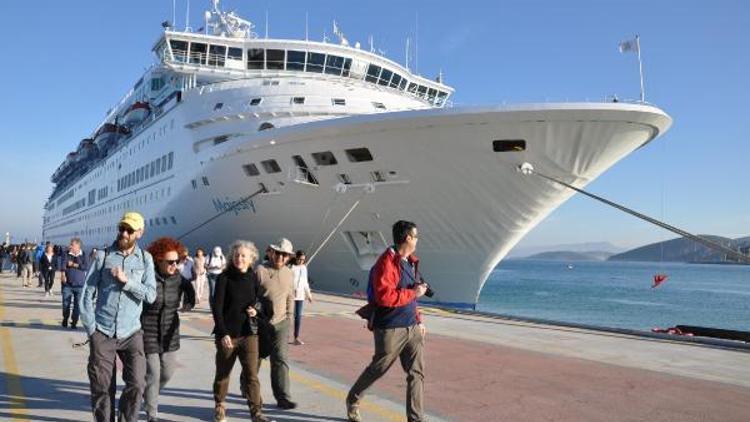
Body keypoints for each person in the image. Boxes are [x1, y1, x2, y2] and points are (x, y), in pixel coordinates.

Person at [346, 220, 428, 422]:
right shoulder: (386, 263)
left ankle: (416, 419)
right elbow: (385, 297)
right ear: (408, 238)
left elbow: (411, 295)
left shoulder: (410, 262)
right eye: (416, 236)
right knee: (379, 368)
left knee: (416, 373)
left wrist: (419, 320)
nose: (417, 240)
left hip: (412, 327)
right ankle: (353, 399)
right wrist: (413, 293)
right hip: (390, 328)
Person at [79, 212, 157, 422]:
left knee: (137, 384)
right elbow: (87, 293)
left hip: (131, 332)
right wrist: (91, 330)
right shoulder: (103, 256)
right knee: (102, 388)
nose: (124, 233)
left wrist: (128, 282)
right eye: (121, 228)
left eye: (129, 230)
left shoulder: (145, 259)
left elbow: (151, 295)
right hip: (103, 332)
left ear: (139, 233)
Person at [212, 240, 269, 422]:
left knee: (252, 374)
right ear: (231, 257)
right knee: (223, 374)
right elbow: (217, 309)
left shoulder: (253, 278)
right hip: (228, 335)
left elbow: (258, 301)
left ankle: (256, 412)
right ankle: (220, 405)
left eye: (243, 255)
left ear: (251, 258)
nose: (239, 258)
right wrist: (223, 333)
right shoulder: (224, 278)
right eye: (236, 255)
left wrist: (256, 309)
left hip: (249, 334)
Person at [141, 237, 195, 422]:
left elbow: (190, 291)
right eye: (170, 262)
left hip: (170, 334)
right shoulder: (147, 277)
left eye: (177, 261)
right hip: (147, 332)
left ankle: (149, 393)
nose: (175, 265)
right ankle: (151, 413)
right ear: (158, 260)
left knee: (167, 372)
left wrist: (189, 303)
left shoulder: (179, 279)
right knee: (154, 373)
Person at [256, 237, 297, 409]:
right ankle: (247, 385)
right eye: (279, 253)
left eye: (285, 255)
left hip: (281, 323)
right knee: (255, 358)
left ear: (288, 257)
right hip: (260, 322)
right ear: (272, 253)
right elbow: (250, 295)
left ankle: (282, 397)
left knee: (280, 359)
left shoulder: (289, 272)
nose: (281, 258)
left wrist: (289, 317)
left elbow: (290, 296)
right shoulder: (260, 270)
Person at [61, 238, 89, 329]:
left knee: (77, 305)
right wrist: (63, 275)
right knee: (66, 304)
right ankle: (65, 318)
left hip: (80, 285)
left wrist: (73, 264)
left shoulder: (83, 255)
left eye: (72, 245)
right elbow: (63, 265)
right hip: (67, 284)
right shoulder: (66, 254)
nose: (70, 246)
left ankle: (74, 322)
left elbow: (85, 267)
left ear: (78, 246)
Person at [291, 250, 313, 345]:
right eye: (299, 259)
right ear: (296, 258)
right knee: (287, 316)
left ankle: (296, 338)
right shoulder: (291, 267)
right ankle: (281, 336)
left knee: (298, 317)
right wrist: (293, 289)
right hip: (291, 295)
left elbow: (305, 282)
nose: (301, 261)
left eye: (303, 260)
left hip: (300, 296)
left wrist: (309, 295)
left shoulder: (304, 268)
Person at [206, 246, 226, 311]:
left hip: (219, 275)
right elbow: (205, 265)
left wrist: (220, 267)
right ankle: (212, 307)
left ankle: (219, 306)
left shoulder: (222, 256)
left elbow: (224, 265)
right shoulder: (209, 256)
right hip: (211, 275)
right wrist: (211, 267)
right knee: (212, 292)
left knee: (220, 291)